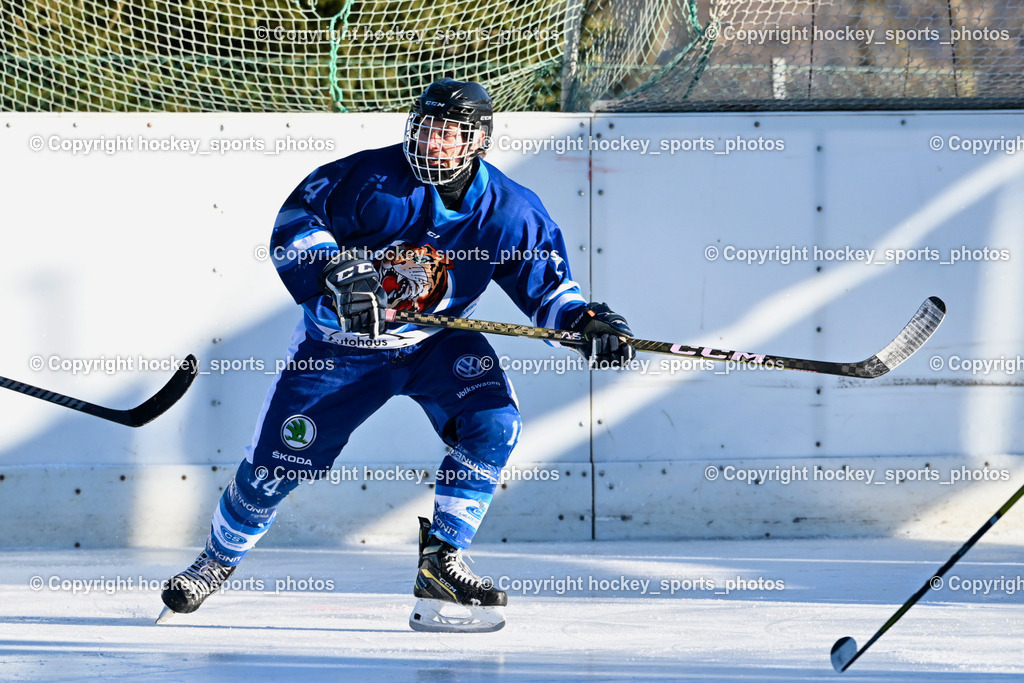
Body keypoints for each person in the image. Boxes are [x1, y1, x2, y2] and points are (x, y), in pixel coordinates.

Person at [158, 78, 634, 632]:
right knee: (274, 467)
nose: (432, 142)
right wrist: (334, 272)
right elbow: (296, 224)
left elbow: (550, 294)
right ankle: (215, 561)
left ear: (477, 140)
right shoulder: (372, 179)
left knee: (493, 424)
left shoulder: (510, 211)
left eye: (447, 132)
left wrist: (586, 324)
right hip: (340, 349)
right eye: (425, 128)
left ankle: (441, 564)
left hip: (435, 343)